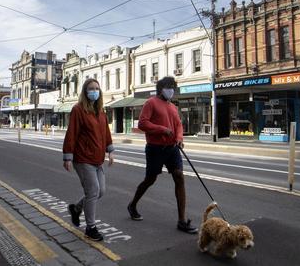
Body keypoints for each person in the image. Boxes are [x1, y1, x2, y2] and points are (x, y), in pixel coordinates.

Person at [127, 76, 198, 234]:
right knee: (150, 179)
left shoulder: (172, 106)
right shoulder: (151, 103)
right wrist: (162, 129)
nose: (171, 90)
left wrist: (179, 138)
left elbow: (179, 125)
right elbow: (142, 123)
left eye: (173, 87)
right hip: (155, 148)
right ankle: (132, 205)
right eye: (168, 86)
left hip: (172, 148)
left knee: (179, 176)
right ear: (161, 89)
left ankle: (182, 220)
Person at [62, 78, 115, 241]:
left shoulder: (101, 112)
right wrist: (68, 156)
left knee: (101, 191)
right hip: (83, 158)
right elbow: (71, 133)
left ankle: (77, 209)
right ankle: (90, 228)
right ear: (85, 92)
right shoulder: (78, 110)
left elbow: (105, 133)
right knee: (92, 192)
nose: (95, 91)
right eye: (91, 89)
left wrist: (110, 150)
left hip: (97, 159)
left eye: (97, 89)